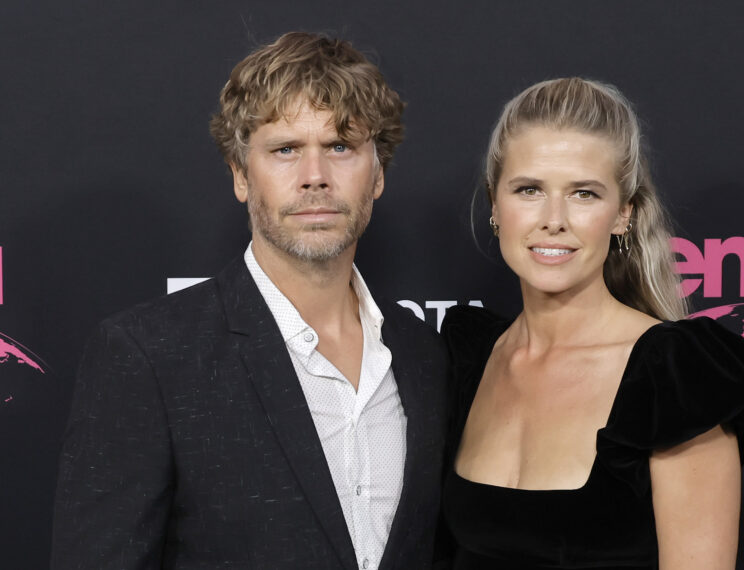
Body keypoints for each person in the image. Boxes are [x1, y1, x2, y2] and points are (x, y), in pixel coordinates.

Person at [51, 32, 448, 570]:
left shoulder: (423, 354)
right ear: (241, 175)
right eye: (285, 150)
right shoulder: (148, 355)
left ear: (378, 175)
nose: (315, 178)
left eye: (341, 147)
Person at [441, 78, 744, 569]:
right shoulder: (469, 358)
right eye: (529, 190)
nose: (554, 219)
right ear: (496, 205)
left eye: (584, 194)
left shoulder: (676, 377)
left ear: (622, 215)